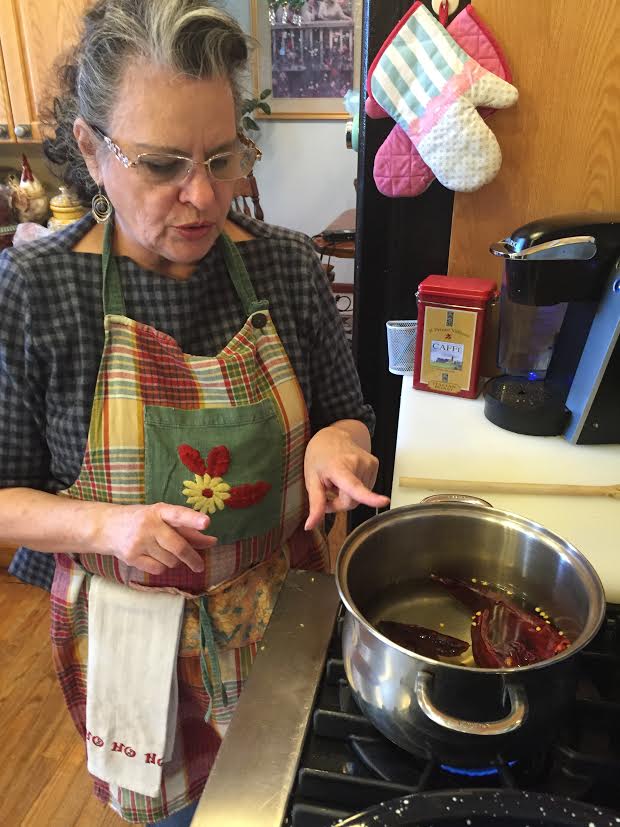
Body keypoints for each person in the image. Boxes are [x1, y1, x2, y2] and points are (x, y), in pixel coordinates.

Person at [0, 1, 388, 825]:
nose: (203, 195)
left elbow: (352, 418)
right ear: (91, 150)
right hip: (133, 647)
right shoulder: (40, 292)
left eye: (223, 155)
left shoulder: (285, 265)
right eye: (163, 164)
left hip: (285, 617)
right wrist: (108, 529)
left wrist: (335, 448)